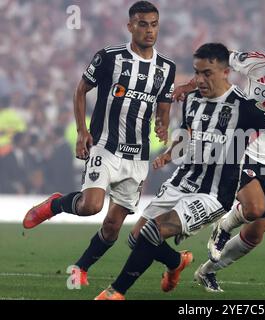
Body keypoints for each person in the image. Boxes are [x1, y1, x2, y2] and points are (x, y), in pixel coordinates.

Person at [94, 42, 265, 300]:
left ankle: (115, 292)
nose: (200, 79)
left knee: (153, 231)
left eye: (207, 73)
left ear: (225, 72)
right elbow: (186, 131)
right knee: (137, 238)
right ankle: (176, 262)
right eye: (197, 72)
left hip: (213, 193)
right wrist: (170, 153)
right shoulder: (191, 99)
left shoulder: (244, 106)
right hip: (184, 180)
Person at [22, 1, 176, 285]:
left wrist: (162, 124)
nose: (149, 30)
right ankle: (57, 204)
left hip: (138, 157)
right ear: (130, 26)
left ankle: (80, 268)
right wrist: (82, 132)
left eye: (154, 24)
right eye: (142, 24)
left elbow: (163, 105)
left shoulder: (167, 67)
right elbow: (81, 90)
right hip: (106, 146)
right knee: (91, 206)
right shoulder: (109, 57)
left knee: (112, 227)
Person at [171, 22, 265, 292]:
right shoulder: (254, 62)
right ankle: (217, 225)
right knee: (253, 208)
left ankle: (207, 271)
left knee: (255, 234)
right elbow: (214, 65)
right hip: (241, 146)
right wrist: (188, 84)